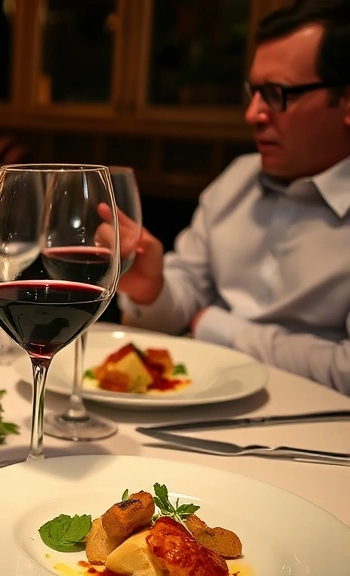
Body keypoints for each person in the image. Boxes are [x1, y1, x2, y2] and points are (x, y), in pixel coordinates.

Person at [116, 0, 350, 394]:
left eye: (277, 94)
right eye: (253, 92)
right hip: (201, 402)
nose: (253, 113)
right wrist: (152, 289)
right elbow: (184, 297)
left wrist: (217, 327)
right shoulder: (238, 178)